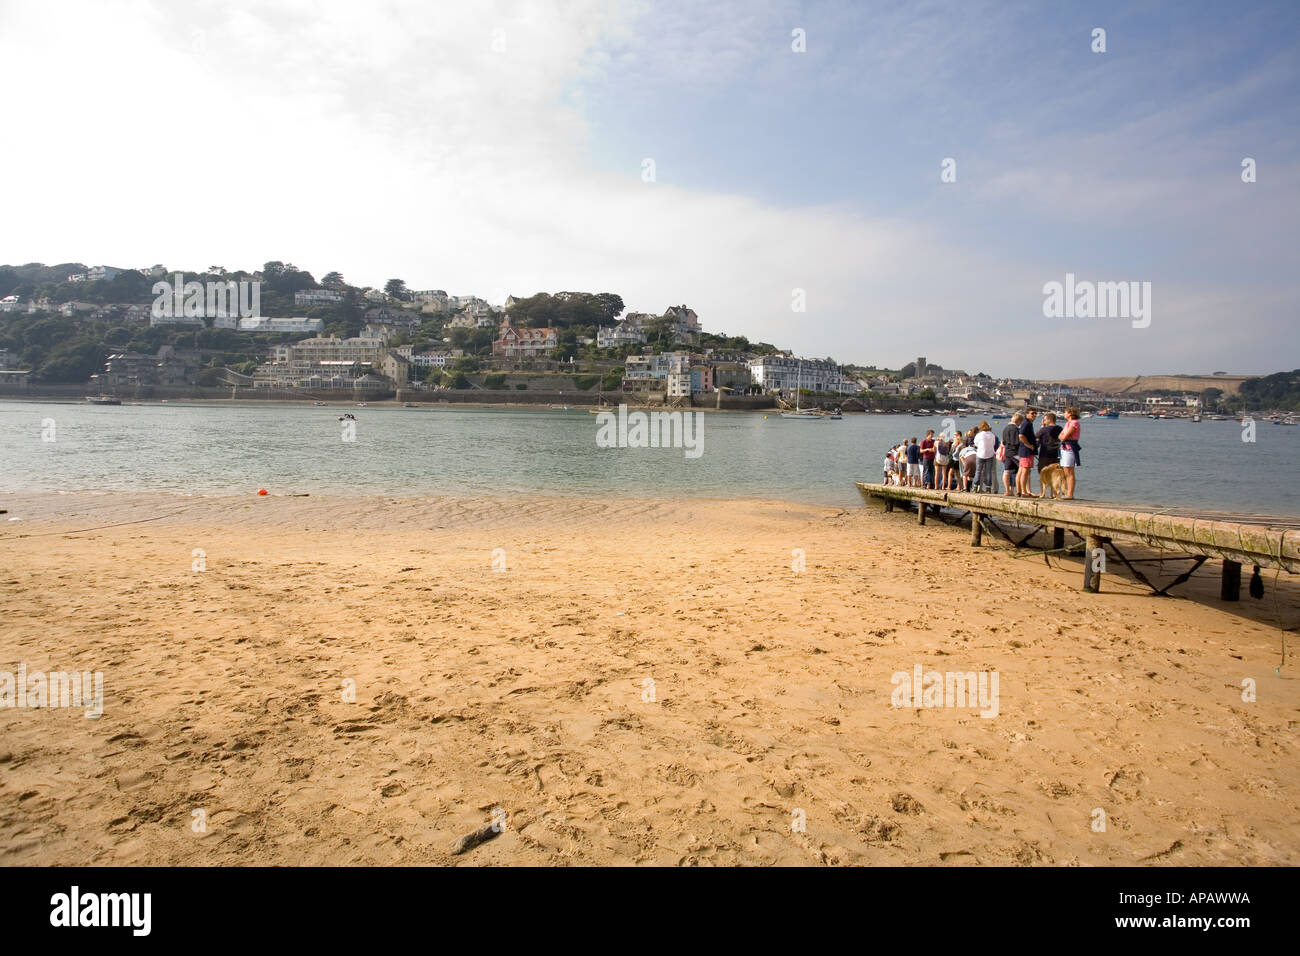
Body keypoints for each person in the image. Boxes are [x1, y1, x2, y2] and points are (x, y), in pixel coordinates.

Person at [1036, 412, 1063, 496]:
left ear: (1049, 419)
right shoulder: (1060, 428)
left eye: (1044, 419)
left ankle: (1042, 493)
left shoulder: (1044, 430)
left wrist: (1042, 426)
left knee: (1042, 473)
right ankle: (1054, 493)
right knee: (1054, 473)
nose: (1043, 420)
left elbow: (1036, 436)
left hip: (1045, 453)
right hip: (1056, 453)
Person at [1059, 407, 1082, 499]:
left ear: (1070, 413)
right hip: (1064, 448)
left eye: (1065, 412)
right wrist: (1063, 437)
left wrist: (1064, 437)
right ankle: (1067, 492)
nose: (1064, 414)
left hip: (1070, 448)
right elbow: (1060, 436)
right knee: (1065, 471)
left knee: (1069, 471)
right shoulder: (1068, 423)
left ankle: (1070, 494)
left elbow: (1064, 437)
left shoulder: (1074, 423)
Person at [1015, 408, 1039, 497]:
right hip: (1026, 451)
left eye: (1036, 413)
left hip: (1023, 451)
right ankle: (1024, 491)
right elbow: (1021, 435)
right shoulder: (1027, 423)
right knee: (1025, 470)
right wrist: (1028, 445)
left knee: (1021, 470)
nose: (1034, 415)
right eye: (1032, 413)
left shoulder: (1027, 423)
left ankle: (1019, 490)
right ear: (1027, 414)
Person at [1001, 413, 1022, 496]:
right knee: (1023, 469)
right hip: (1014, 452)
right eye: (1021, 422)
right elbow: (1016, 442)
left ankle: (1008, 490)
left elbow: (1004, 441)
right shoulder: (1015, 429)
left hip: (1007, 452)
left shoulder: (1005, 428)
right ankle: (1020, 490)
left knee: (1007, 471)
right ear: (1018, 421)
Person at [973, 420, 997, 492]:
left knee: (978, 471)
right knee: (988, 471)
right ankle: (988, 488)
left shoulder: (979, 435)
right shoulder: (992, 435)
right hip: (990, 454)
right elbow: (993, 444)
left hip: (980, 454)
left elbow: (975, 443)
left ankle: (975, 486)